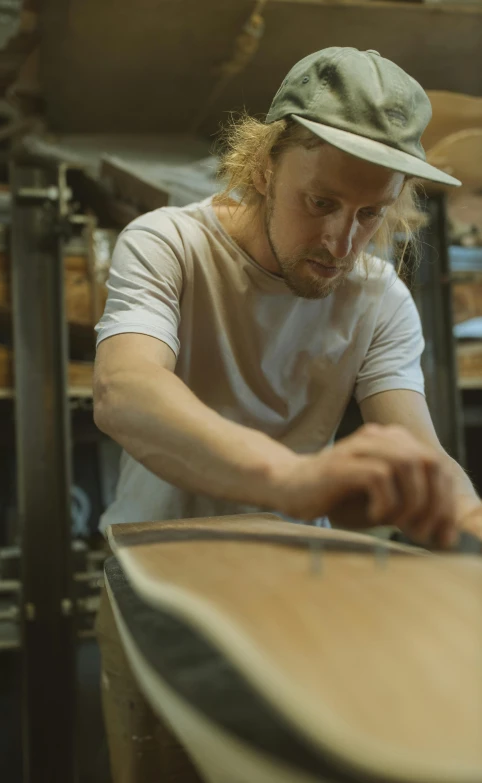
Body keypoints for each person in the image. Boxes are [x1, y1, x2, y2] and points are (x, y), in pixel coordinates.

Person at [93, 47, 482, 782]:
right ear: (265, 165)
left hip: (302, 583)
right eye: (322, 202)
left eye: (371, 213)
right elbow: (125, 390)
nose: (342, 242)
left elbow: (424, 451)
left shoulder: (379, 299)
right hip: (154, 580)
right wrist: (291, 479)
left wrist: (466, 521)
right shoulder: (167, 244)